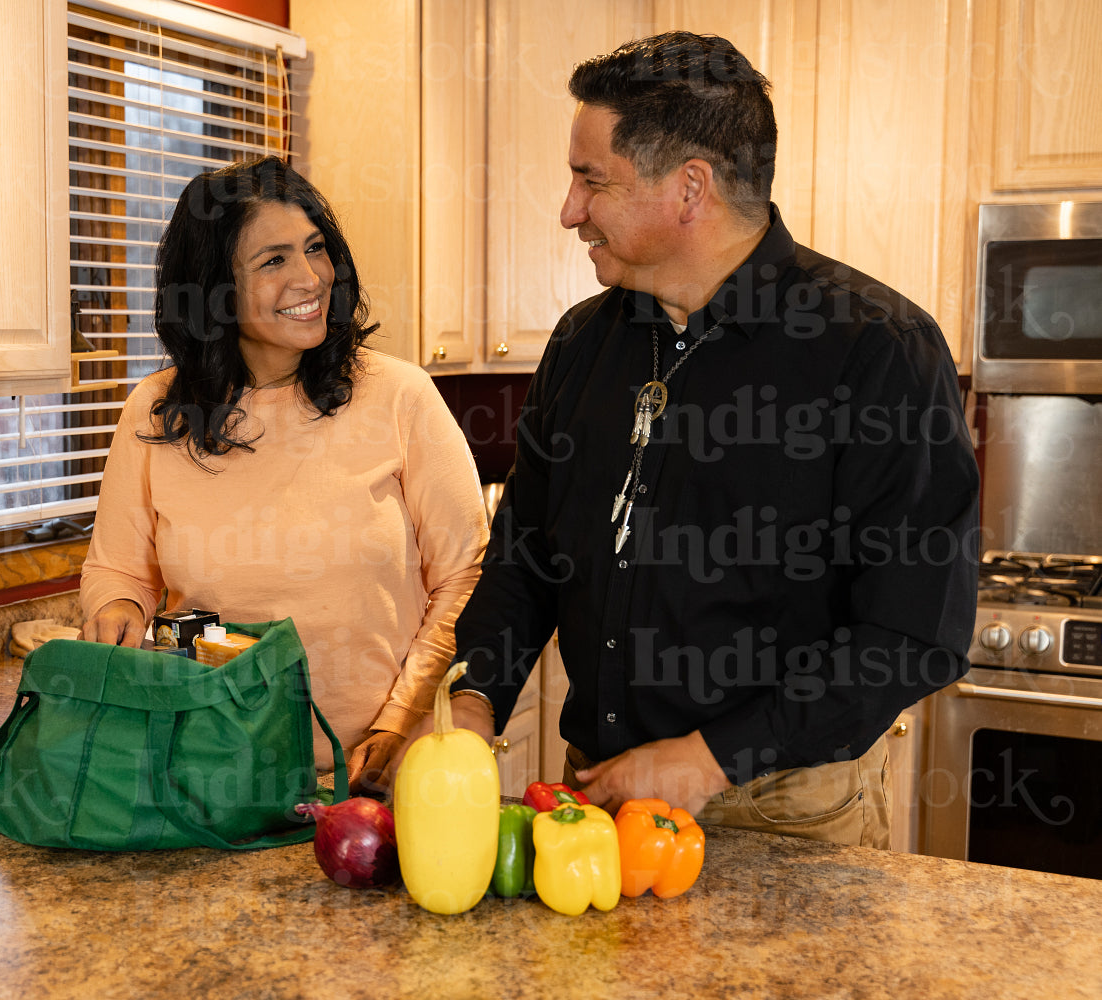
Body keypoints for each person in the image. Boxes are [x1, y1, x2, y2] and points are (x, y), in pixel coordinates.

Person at [414, 31, 979, 848]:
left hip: (780, 813)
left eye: (590, 180)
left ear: (689, 189)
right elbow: (525, 560)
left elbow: (912, 634)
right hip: (592, 802)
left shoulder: (876, 350)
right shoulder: (581, 344)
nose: (568, 210)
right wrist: (471, 702)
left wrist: (711, 758)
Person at [79, 156, 489, 794]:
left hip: (382, 775)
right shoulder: (155, 411)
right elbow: (118, 568)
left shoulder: (399, 395)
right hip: (214, 773)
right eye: (273, 261)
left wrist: (399, 725)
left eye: (316, 249)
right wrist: (117, 606)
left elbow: (466, 575)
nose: (311, 277)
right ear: (213, 288)